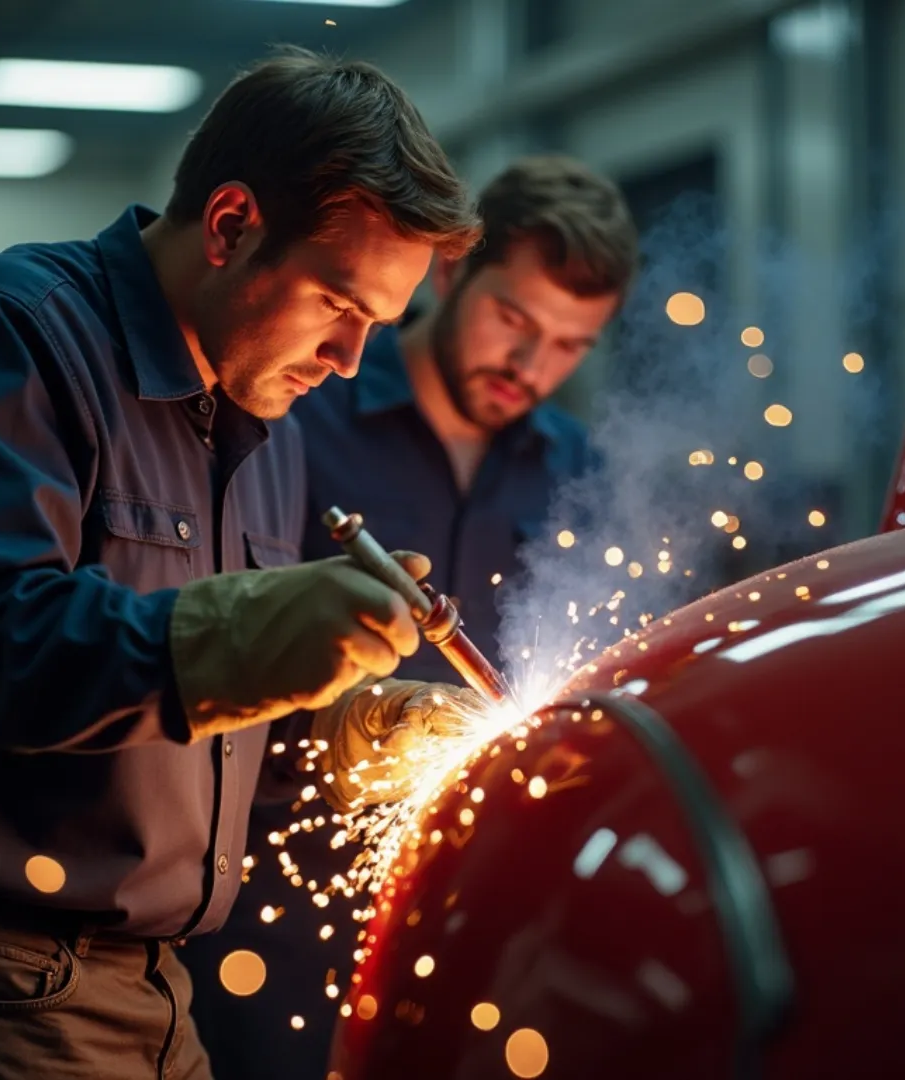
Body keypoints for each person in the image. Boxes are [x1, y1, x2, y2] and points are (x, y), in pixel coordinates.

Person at [0, 46, 484, 1080]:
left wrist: (342, 722)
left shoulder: (267, 413)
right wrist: (247, 635)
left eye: (378, 328)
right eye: (340, 306)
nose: (351, 360)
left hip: (155, 982)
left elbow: (188, 712)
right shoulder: (9, 333)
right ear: (229, 226)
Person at [183, 154, 640, 1080]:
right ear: (451, 271)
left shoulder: (573, 473)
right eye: (513, 320)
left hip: (478, 910)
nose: (529, 365)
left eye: (568, 346)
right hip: (278, 900)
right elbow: (194, 631)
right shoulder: (299, 408)